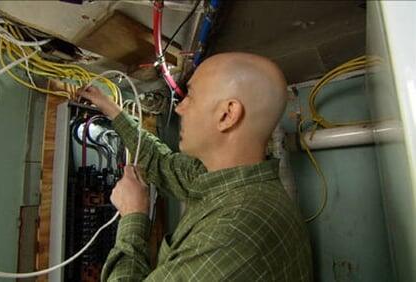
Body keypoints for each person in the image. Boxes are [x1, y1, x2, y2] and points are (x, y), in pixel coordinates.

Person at [78, 52, 313, 281]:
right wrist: (112, 109)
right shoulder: (226, 182)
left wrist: (133, 216)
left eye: (190, 96)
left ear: (227, 115)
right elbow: (162, 163)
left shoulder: (233, 233)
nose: (180, 108)